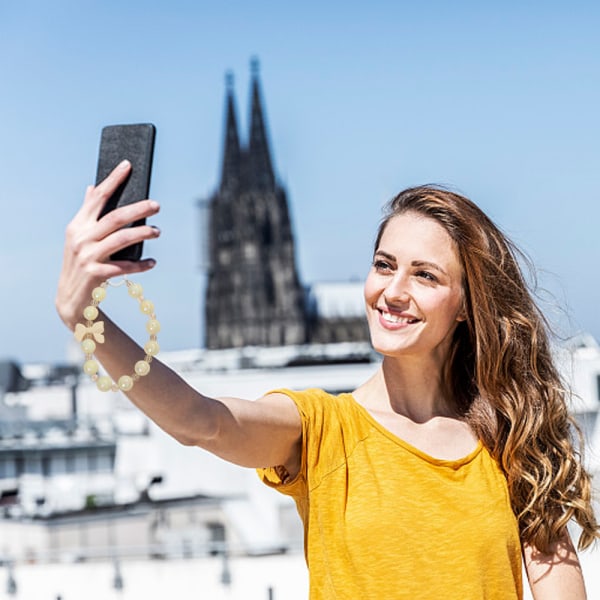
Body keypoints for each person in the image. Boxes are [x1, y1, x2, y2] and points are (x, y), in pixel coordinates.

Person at [56, 160, 599, 599]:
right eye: (384, 265)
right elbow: (201, 422)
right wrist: (85, 317)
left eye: (425, 275)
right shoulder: (323, 430)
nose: (393, 291)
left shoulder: (509, 436)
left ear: (465, 306)